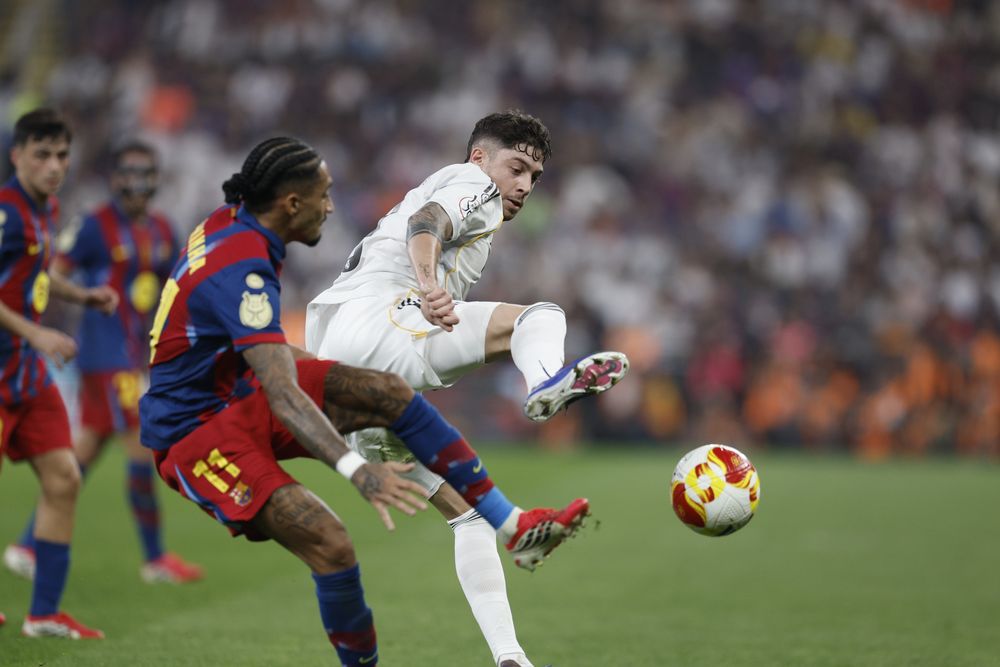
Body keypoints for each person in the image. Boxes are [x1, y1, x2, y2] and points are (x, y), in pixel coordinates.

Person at [139, 136, 590, 665]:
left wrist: (330, 374)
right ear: (290, 203)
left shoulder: (231, 226)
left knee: (385, 394)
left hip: (241, 392)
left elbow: (251, 350)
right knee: (331, 542)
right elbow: (282, 391)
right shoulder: (244, 268)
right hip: (196, 433)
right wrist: (357, 469)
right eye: (322, 195)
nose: (331, 207)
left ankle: (511, 546)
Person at [304, 110, 628, 667]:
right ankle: (545, 383)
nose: (524, 185)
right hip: (379, 322)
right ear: (481, 158)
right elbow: (427, 221)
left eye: (535, 177)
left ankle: (510, 656)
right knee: (540, 318)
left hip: (340, 376)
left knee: (470, 513)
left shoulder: (472, 199)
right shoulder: (470, 181)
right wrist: (429, 286)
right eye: (517, 167)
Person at [4, 141, 202, 585]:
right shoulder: (94, 226)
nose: (138, 180)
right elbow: (51, 269)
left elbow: (176, 291)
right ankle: (154, 560)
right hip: (101, 356)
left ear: (157, 177)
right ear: (114, 179)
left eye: (146, 171)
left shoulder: (163, 230)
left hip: (132, 356)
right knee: (141, 442)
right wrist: (81, 298)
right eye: (129, 171)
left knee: (86, 450)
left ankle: (26, 545)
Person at [0, 108, 116, 639]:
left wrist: (81, 294)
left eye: (62, 156)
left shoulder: (44, 210)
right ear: (17, 155)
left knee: (65, 477)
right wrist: (36, 333)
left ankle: (43, 614)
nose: (54, 166)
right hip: (10, 360)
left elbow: (35, 272)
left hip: (23, 371)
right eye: (42, 154)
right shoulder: (6, 212)